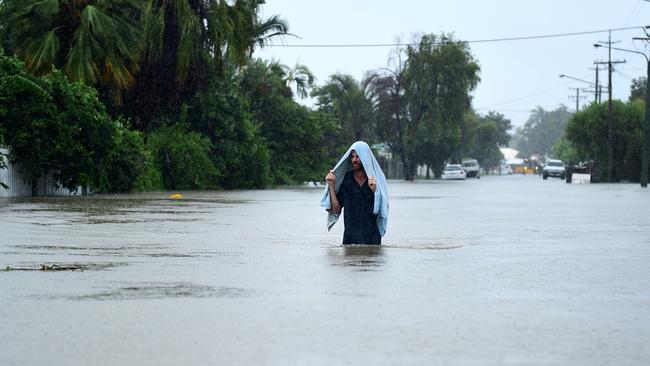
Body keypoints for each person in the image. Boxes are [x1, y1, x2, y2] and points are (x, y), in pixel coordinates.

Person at [320, 141, 389, 245]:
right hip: (349, 242)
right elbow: (335, 209)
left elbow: (382, 211)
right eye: (352, 157)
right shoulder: (346, 180)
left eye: (358, 156)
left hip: (372, 243)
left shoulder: (377, 181)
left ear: (365, 157)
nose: (354, 160)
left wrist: (376, 192)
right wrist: (331, 186)